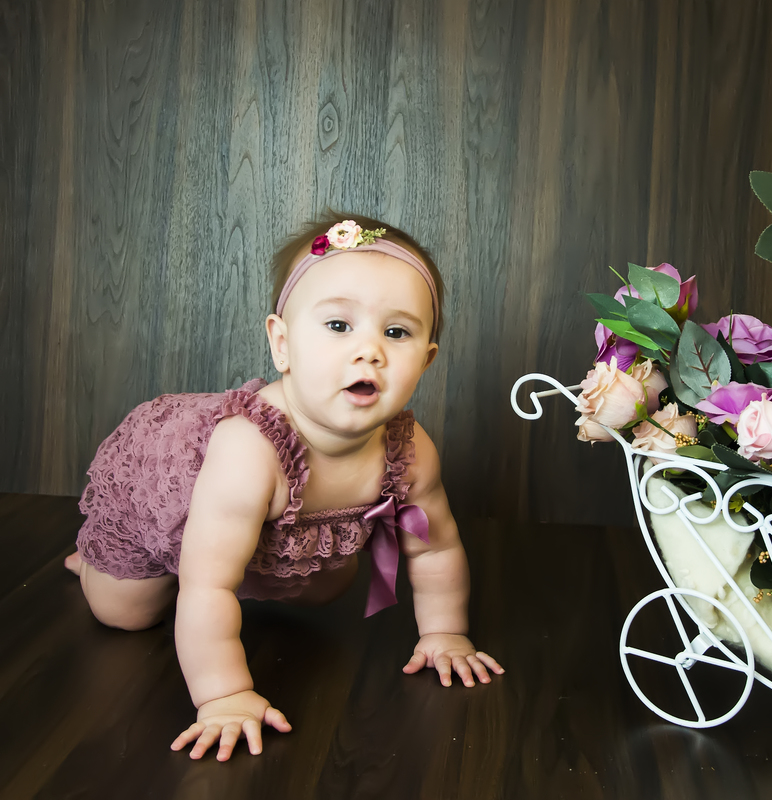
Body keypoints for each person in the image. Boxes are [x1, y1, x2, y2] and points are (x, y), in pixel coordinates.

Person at [63, 215, 502, 761]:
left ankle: (251, 562)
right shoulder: (250, 451)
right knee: (126, 614)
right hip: (167, 496)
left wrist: (444, 634)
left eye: (397, 332)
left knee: (326, 586)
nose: (370, 351)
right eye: (339, 326)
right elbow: (206, 586)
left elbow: (434, 547)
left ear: (427, 361)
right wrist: (224, 695)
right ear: (282, 343)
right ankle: (92, 564)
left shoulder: (411, 450)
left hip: (257, 534)